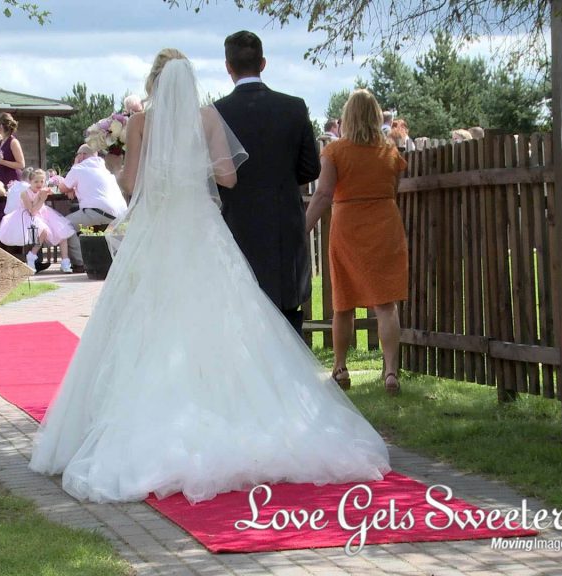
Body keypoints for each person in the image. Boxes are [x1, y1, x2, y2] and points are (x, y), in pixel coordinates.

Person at [29, 50, 390, 504]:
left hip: (158, 231)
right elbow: (228, 178)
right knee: (223, 318)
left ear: (155, 83)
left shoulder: (141, 124)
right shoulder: (207, 118)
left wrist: (129, 158)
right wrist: (192, 167)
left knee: (145, 320)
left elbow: (128, 184)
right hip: (201, 229)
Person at [214, 31, 321, 337]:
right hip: (282, 228)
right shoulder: (294, 107)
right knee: (287, 316)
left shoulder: (215, 114)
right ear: (263, 63)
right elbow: (310, 168)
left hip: (235, 227)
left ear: (227, 66)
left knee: (240, 316)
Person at [305, 89, 409, 396]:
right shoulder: (389, 151)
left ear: (347, 117)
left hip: (348, 226)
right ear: (376, 116)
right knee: (386, 303)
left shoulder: (335, 152)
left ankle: (340, 367)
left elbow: (323, 194)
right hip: (384, 224)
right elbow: (394, 187)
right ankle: (390, 371)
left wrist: (304, 229)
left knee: (343, 302)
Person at [57, 144, 129, 269]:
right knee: (79, 222)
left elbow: (62, 187)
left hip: (97, 211)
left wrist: (74, 167)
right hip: (120, 214)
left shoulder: (79, 168)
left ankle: (79, 262)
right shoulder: (105, 168)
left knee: (64, 225)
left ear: (82, 155)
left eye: (77, 154)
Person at [0, 169, 75, 273]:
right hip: (27, 216)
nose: (39, 184)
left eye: (42, 181)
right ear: (30, 182)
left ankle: (65, 262)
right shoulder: (24, 193)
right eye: (36, 181)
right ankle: (32, 255)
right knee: (43, 230)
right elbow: (32, 211)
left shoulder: (42, 191)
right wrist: (42, 199)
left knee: (62, 233)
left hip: (44, 214)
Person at [0, 112, 26, 186]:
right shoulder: (1, 141)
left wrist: (1, 162)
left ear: (1, 126)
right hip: (2, 177)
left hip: (12, 178)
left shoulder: (13, 142)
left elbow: (21, 164)